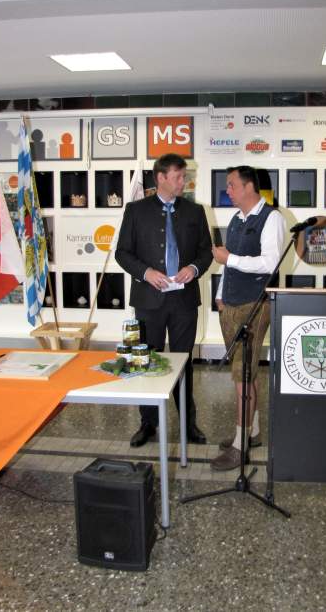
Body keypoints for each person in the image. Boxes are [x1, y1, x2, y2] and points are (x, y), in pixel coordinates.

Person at [115, 153, 212, 446]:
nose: (184, 181)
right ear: (161, 178)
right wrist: (146, 272)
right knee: (144, 360)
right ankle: (148, 423)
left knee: (184, 363)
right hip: (148, 300)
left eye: (184, 176)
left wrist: (193, 268)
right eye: (178, 176)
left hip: (184, 301)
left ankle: (188, 424)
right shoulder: (136, 210)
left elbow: (206, 252)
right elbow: (122, 253)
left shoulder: (195, 212)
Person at [211, 166, 286, 470]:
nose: (227, 191)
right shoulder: (237, 218)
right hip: (230, 304)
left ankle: (240, 447)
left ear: (249, 187)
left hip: (254, 305)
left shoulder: (272, 218)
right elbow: (228, 262)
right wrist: (220, 292)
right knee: (245, 373)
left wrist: (229, 258)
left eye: (231, 185)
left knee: (242, 377)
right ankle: (251, 433)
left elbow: (270, 263)